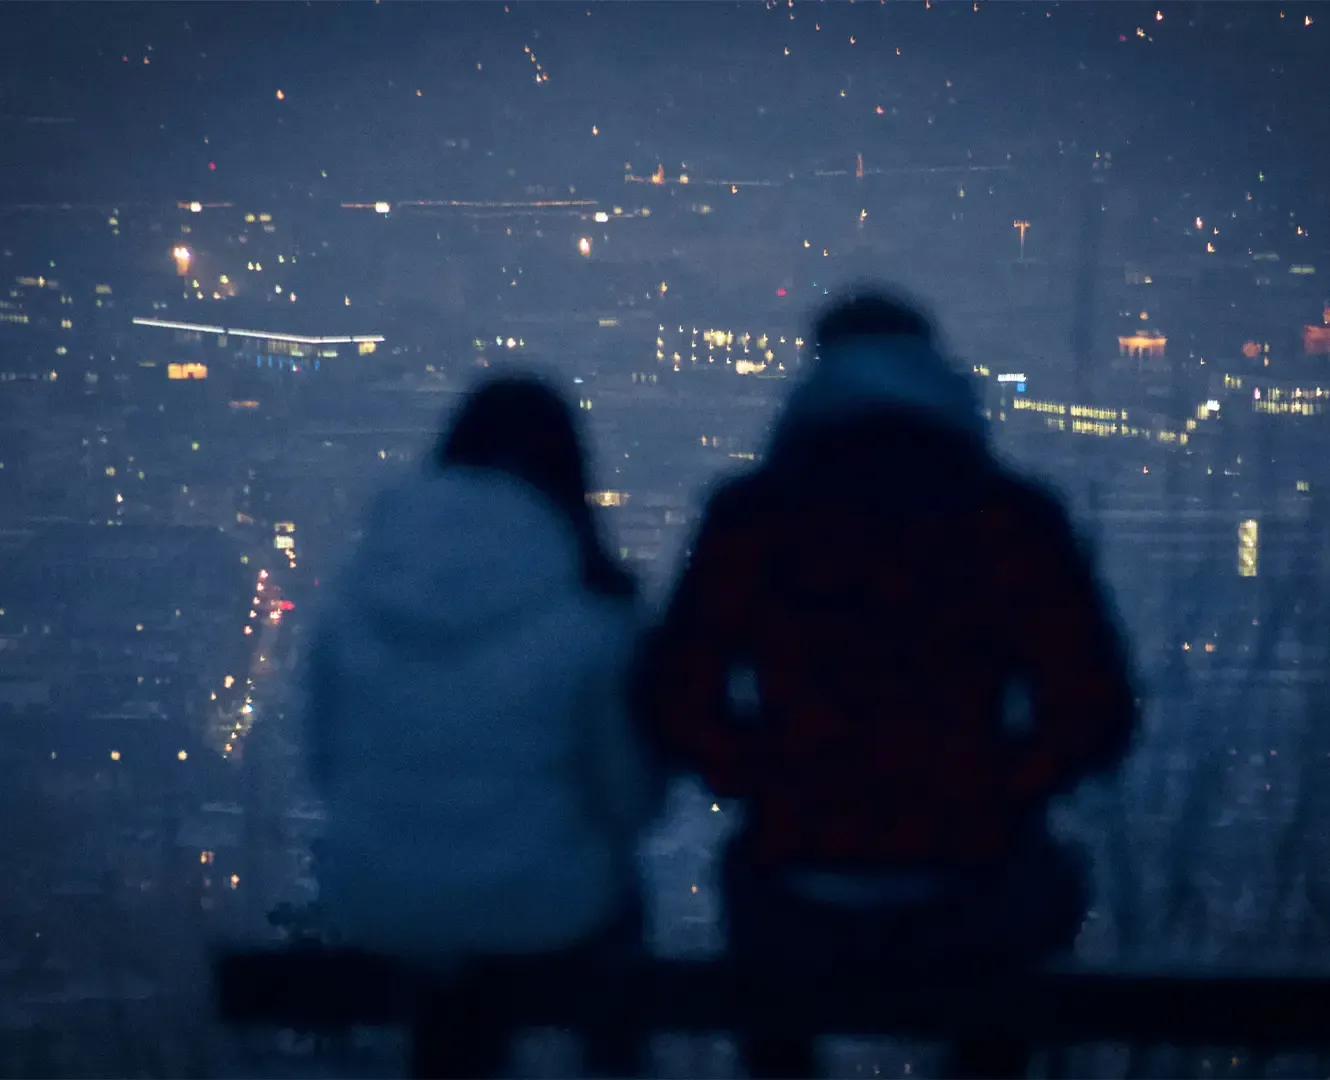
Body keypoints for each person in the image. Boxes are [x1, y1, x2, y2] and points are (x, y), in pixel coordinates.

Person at [636, 290, 1140, 1079]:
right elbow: (1098, 708)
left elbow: (672, 696)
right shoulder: (1012, 518)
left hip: (795, 873)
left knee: (771, 1003)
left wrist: (766, 778)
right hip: (976, 876)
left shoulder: (752, 517)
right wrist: (1001, 787)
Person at [304, 375, 662, 1078]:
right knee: (612, 914)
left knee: (451, 973)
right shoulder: (589, 614)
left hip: (377, 900)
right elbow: (629, 800)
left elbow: (324, 764)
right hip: (544, 905)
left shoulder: (356, 598)